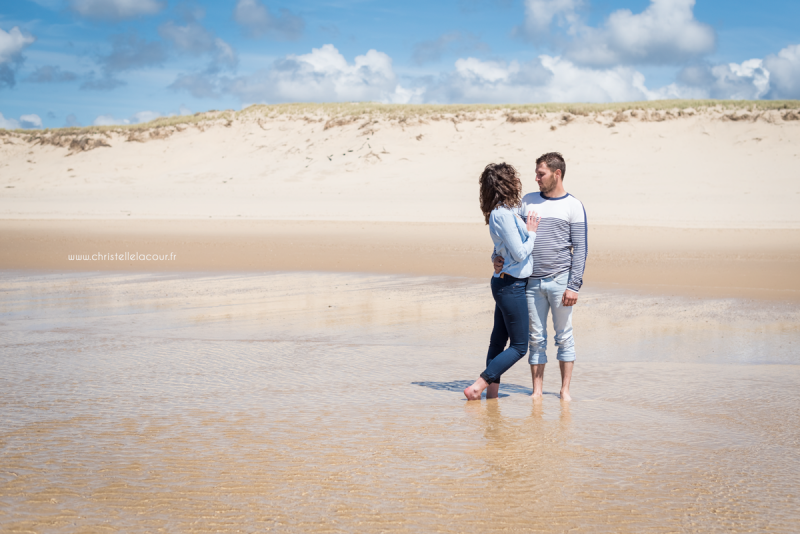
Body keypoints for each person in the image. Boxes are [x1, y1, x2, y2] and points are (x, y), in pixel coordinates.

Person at [493, 152, 587, 401]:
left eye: (541, 174)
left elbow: (581, 248)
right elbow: (508, 233)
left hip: (560, 280)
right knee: (536, 337)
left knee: (564, 336)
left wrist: (573, 286)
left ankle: (565, 391)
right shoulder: (528, 201)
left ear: (557, 174)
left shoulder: (573, 205)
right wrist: (495, 256)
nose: (536, 178)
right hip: (530, 282)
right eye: (536, 173)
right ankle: (536, 392)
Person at [464, 163, 541, 401]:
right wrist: (533, 232)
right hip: (511, 286)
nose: (517, 182)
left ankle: (491, 396)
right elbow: (519, 253)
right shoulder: (502, 214)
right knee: (519, 346)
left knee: (498, 341)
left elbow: (501, 249)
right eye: (513, 179)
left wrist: (495, 258)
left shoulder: (502, 212)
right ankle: (478, 386)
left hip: (505, 282)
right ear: (506, 184)